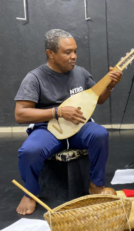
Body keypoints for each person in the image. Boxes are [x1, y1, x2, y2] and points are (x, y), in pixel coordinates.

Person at [14, 29, 122, 215]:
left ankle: (96, 186)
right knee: (29, 151)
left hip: (79, 126)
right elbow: (20, 114)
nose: (73, 57)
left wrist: (110, 85)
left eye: (75, 51)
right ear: (51, 53)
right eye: (67, 52)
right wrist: (58, 112)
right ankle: (30, 193)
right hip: (48, 128)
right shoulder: (35, 78)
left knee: (99, 134)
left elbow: (100, 99)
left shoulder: (81, 73)